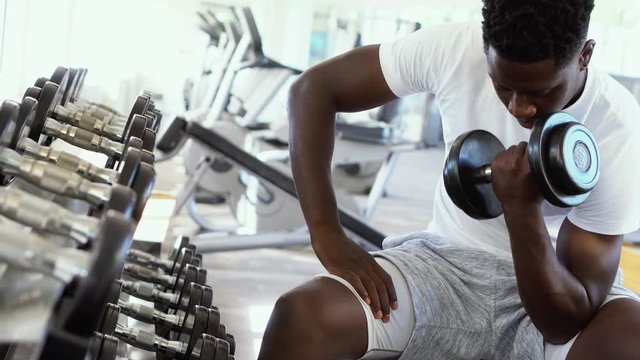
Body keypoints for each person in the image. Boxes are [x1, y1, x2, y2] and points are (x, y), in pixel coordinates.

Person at [257, 0, 640, 359]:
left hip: (558, 287)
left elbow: (564, 321)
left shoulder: (616, 126)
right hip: (445, 265)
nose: (519, 107)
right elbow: (313, 89)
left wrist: (522, 211)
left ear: (584, 55)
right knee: (304, 316)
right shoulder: (455, 47)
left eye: (540, 91)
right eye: (503, 86)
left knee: (630, 341)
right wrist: (327, 234)